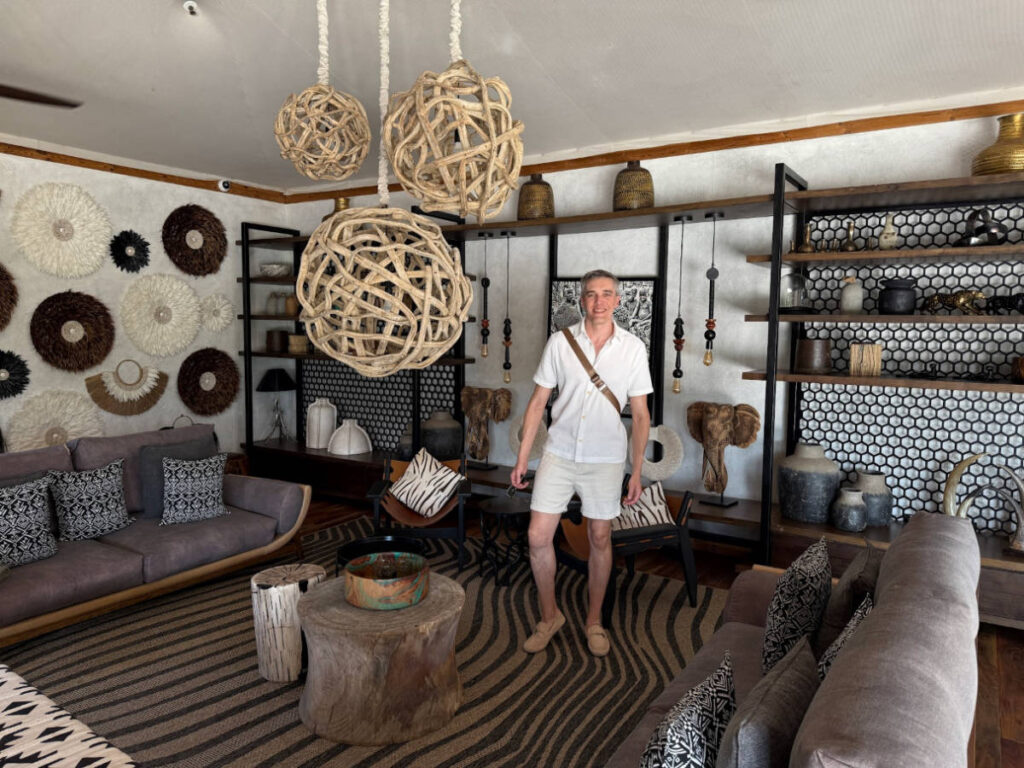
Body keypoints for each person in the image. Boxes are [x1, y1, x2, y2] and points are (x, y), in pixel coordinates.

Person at [510, 269, 652, 657]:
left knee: (599, 538)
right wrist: (522, 458)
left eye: (606, 294)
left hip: (606, 458)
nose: (599, 301)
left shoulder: (632, 349)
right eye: (591, 294)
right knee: (538, 536)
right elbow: (538, 402)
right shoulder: (560, 342)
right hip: (558, 452)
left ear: (618, 301)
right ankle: (549, 616)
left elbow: (641, 415)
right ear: (581, 300)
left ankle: (593, 621)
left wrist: (637, 470)